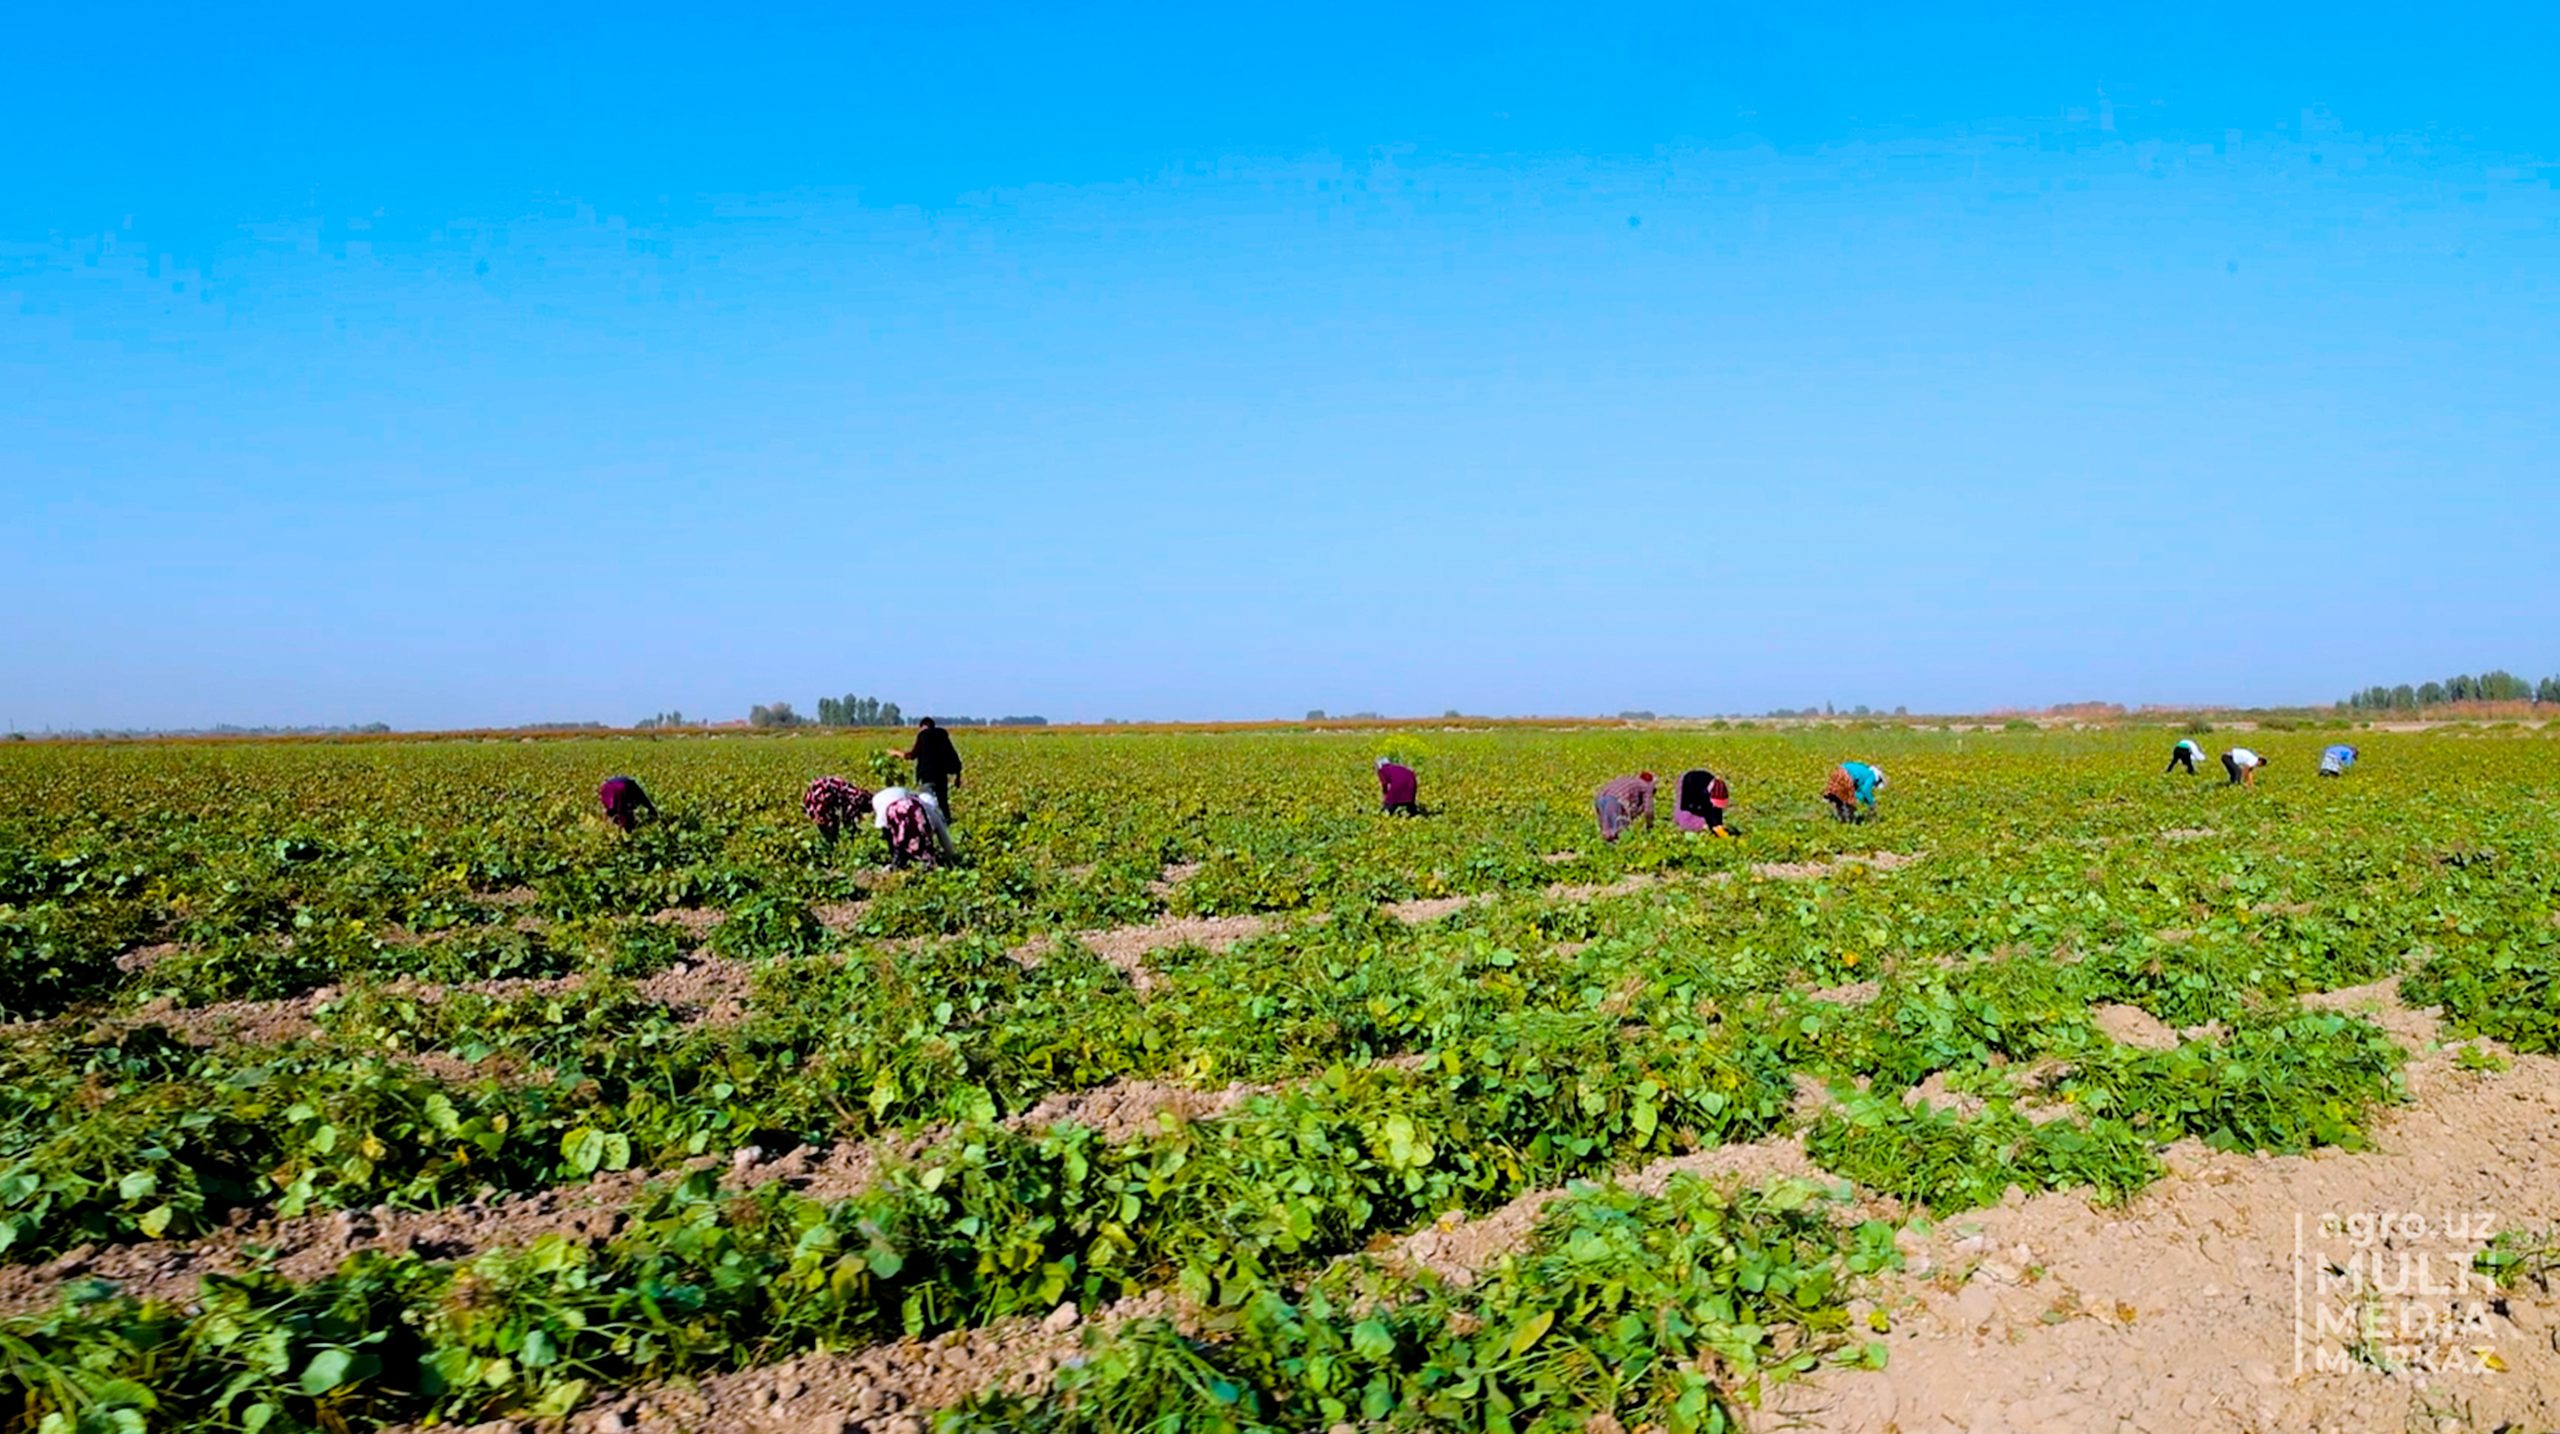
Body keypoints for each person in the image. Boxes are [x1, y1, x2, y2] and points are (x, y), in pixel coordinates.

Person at [888, 718, 964, 819]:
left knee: (927, 803)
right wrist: (957, 777)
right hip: (941, 776)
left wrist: (896, 753)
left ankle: (930, 825)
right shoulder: (942, 737)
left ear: (922, 727)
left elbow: (911, 755)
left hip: (927, 776)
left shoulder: (923, 736)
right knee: (943, 803)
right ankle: (946, 823)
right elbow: (953, 756)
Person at [870, 785, 955, 868]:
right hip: (892, 807)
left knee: (899, 836)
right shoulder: (930, 813)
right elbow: (944, 838)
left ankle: (899, 862)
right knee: (912, 837)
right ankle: (910, 861)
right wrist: (951, 857)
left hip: (894, 804)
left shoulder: (918, 802)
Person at [803, 776, 871, 845]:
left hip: (824, 790)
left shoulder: (854, 795)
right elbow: (847, 820)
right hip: (823, 795)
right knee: (830, 826)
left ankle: (832, 841)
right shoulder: (854, 802)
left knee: (831, 823)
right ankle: (832, 842)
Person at [1594, 771, 1657, 842]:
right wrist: (1650, 826)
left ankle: (1605, 848)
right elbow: (1648, 810)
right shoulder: (1647, 786)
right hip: (1614, 800)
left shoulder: (1630, 780)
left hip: (1600, 799)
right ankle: (1616, 850)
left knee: (1607, 829)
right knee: (1618, 831)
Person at [1673, 768, 1734, 836]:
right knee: (1685, 816)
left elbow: (1716, 810)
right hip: (1687, 786)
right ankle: (1683, 826)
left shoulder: (1716, 788)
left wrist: (1718, 824)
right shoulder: (1689, 784)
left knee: (1710, 816)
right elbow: (1685, 806)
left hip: (1701, 789)